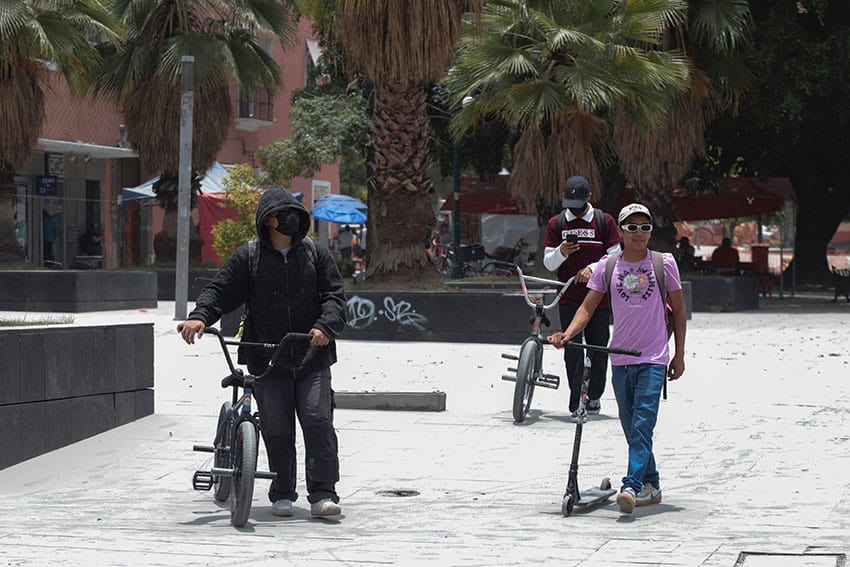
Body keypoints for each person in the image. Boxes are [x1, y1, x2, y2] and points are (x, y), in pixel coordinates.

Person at [177, 185, 347, 518]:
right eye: (284, 216)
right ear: (269, 220)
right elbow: (220, 291)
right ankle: (281, 491)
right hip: (267, 358)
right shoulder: (249, 256)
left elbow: (335, 297)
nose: (291, 222)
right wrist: (199, 317)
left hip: (312, 356)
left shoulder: (315, 254)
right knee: (276, 427)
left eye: (296, 216)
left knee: (317, 419)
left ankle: (323, 494)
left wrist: (326, 326)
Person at [548, 203, 687, 514]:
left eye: (645, 227)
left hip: (653, 357)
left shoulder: (664, 264)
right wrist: (567, 334)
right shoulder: (607, 267)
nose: (640, 234)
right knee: (630, 425)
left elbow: (679, 310)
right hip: (620, 358)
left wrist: (679, 354)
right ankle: (651, 483)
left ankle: (632, 486)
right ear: (621, 232)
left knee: (642, 424)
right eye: (632, 228)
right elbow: (586, 308)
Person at [543, 175, 621, 421]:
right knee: (572, 348)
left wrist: (593, 268)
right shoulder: (556, 223)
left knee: (598, 345)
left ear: (589, 198)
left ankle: (595, 393)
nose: (574, 211)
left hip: (599, 298)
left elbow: (615, 256)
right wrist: (561, 252)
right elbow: (548, 262)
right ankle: (577, 398)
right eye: (570, 205)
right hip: (568, 297)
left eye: (578, 205)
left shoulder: (604, 221)